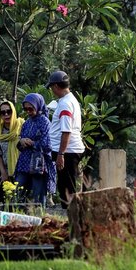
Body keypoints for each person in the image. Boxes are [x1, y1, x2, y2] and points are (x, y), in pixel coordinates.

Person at [46, 70, 84, 208]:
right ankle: (70, 217)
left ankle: (71, 218)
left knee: (67, 189)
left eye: (51, 87)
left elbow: (66, 131)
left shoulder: (65, 104)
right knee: (66, 186)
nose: (51, 90)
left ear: (56, 86)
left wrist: (61, 154)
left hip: (67, 151)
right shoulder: (69, 100)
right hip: (68, 150)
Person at [13, 93, 56, 206]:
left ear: (38, 106)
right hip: (24, 162)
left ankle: (40, 218)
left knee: (38, 195)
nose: (28, 111)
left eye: (30, 108)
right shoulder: (27, 123)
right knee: (17, 191)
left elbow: (48, 144)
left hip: (38, 164)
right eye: (25, 109)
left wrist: (32, 143)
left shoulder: (45, 122)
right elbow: (20, 144)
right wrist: (21, 142)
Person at [0, 100, 23, 198]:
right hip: (8, 171)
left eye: (9, 111)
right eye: (2, 112)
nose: (6, 114)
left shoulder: (22, 126)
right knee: (9, 200)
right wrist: (3, 173)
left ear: (13, 112)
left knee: (23, 198)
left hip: (24, 169)